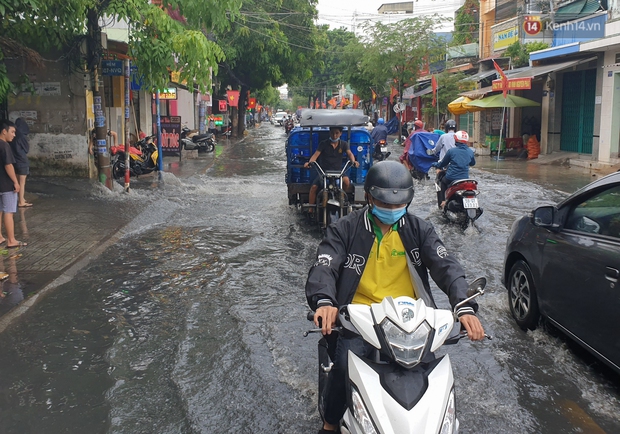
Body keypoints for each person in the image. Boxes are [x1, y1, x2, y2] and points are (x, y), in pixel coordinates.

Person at [306, 160, 485, 434]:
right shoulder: (344, 228)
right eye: (384, 204)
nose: (391, 210)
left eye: (398, 204)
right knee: (343, 366)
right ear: (368, 197)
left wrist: (464, 306)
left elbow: (446, 265)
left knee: (430, 373)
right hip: (359, 320)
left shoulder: (419, 230)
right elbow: (325, 265)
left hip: (411, 321)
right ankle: (330, 424)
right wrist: (325, 302)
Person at [303, 127, 359, 213]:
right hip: (323, 173)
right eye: (332, 133)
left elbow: (350, 153)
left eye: (337, 133)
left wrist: (353, 161)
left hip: (339, 173)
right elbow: (315, 155)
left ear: (340, 133)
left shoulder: (343, 144)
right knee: (314, 187)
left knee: (347, 181)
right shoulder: (323, 144)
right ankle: (311, 209)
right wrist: (309, 163)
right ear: (330, 133)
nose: (334, 135)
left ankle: (342, 198)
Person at [0, 120, 27, 248]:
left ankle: (0, 236)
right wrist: (16, 182)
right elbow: (8, 165)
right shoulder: (5, 146)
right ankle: (11, 240)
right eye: (12, 132)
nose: (14, 135)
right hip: (6, 184)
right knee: (9, 212)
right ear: (4, 131)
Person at [432, 130, 476, 208]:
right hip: (465, 179)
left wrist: (435, 164)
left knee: (443, 182)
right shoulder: (470, 152)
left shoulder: (451, 151)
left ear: (456, 140)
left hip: (451, 177)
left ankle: (443, 202)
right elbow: (472, 163)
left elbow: (443, 164)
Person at [10, 118, 32, 207]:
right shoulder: (21, 137)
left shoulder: (12, 136)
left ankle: (16, 199)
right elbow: (26, 149)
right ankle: (21, 201)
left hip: (13, 161)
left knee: (15, 182)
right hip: (22, 162)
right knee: (22, 183)